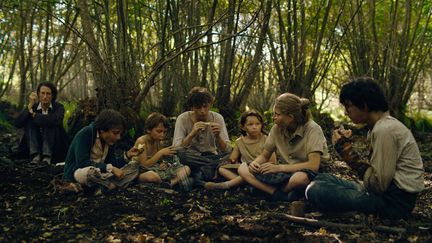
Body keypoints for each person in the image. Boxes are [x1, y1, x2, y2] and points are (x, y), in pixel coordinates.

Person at [305, 77, 424, 219]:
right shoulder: (379, 127)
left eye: (348, 106)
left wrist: (345, 150)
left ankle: (349, 211)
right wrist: (348, 143)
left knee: (316, 190)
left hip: (393, 204)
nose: (345, 112)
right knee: (322, 178)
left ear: (365, 105)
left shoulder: (385, 130)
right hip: (383, 195)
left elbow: (379, 185)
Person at [238, 93, 329, 201]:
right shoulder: (276, 128)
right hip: (286, 171)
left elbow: (313, 165)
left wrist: (278, 168)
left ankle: (269, 191)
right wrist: (255, 163)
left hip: (309, 173)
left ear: (290, 117)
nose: (274, 118)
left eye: (277, 114)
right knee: (243, 168)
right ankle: (277, 193)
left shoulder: (312, 129)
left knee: (298, 179)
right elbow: (264, 155)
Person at [63, 109, 140, 190]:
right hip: (80, 173)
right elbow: (82, 163)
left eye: (119, 134)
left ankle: (105, 186)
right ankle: (111, 185)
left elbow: (113, 164)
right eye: (115, 133)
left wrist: (127, 155)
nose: (118, 137)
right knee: (90, 173)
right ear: (103, 129)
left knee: (134, 166)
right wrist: (110, 168)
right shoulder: (86, 133)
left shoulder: (109, 141)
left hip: (101, 175)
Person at [172, 87, 232, 187]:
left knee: (229, 156)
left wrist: (218, 136)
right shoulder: (183, 118)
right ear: (192, 107)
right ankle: (205, 171)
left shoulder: (217, 118)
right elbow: (176, 148)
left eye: (205, 106)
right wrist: (191, 134)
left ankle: (194, 176)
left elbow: (227, 150)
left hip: (211, 156)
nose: (202, 111)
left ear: (210, 105)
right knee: (180, 154)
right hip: (190, 157)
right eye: (198, 107)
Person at [204, 110, 276, 190]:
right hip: (244, 168)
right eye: (250, 124)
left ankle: (227, 185)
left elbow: (273, 161)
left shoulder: (266, 139)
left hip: (260, 168)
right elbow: (233, 158)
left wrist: (259, 166)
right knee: (222, 169)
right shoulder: (240, 142)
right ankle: (248, 183)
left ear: (261, 125)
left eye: (257, 124)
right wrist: (234, 160)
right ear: (243, 127)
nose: (254, 127)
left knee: (250, 172)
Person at [15, 81, 68, 165]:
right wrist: (30, 105)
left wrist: (35, 116)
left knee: (49, 121)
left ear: (52, 95)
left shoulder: (58, 107)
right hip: (36, 143)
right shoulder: (34, 107)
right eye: (42, 93)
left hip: (54, 145)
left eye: (48, 94)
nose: (45, 97)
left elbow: (56, 120)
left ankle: (47, 157)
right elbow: (18, 123)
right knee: (29, 121)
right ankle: (35, 156)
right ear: (38, 94)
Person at [133, 112, 191, 188]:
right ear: (148, 130)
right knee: (153, 176)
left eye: (164, 132)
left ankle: (170, 183)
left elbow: (159, 160)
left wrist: (163, 164)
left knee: (186, 169)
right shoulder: (141, 142)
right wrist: (160, 153)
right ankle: (161, 183)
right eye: (159, 131)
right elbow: (143, 165)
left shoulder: (157, 141)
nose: (162, 135)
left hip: (156, 169)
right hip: (142, 171)